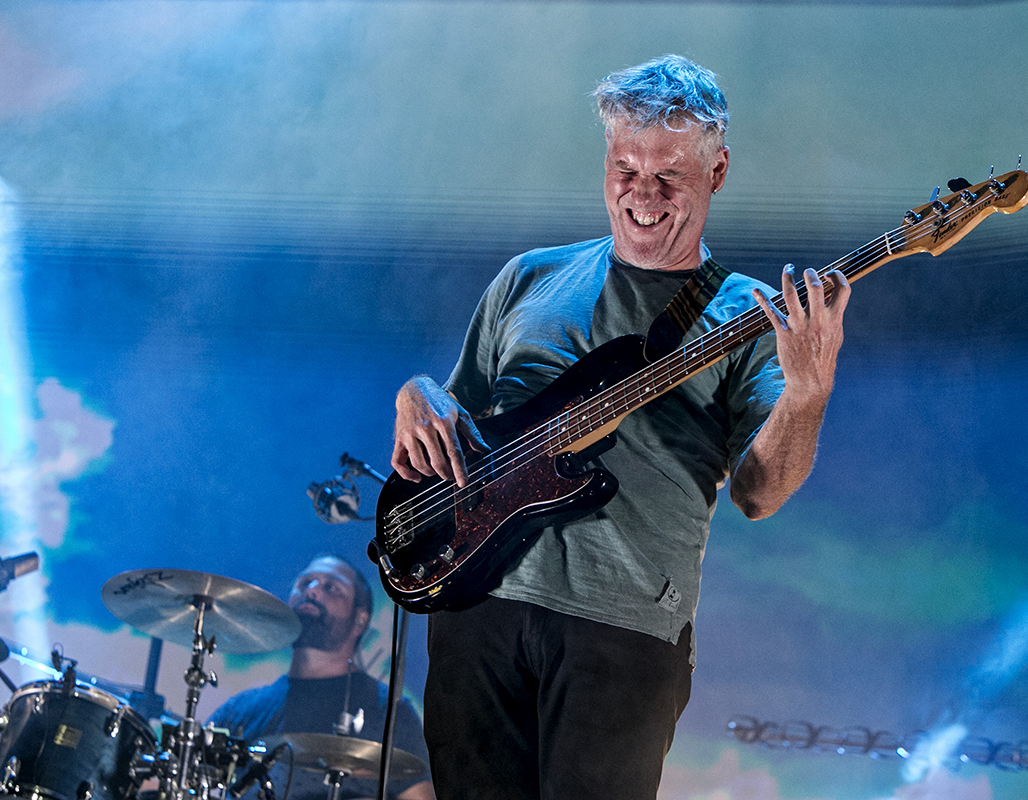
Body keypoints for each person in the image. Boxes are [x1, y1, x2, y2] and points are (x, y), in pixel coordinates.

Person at [389, 55, 850, 800]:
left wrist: (808, 393)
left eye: (669, 175)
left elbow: (761, 493)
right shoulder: (529, 277)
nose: (642, 193)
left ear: (718, 172)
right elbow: (455, 415)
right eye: (625, 168)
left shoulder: (753, 313)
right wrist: (416, 393)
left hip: (623, 624)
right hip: (478, 605)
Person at [209, 555, 435, 800]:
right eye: (305, 582)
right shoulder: (239, 710)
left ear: (360, 620)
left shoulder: (389, 712)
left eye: (332, 587)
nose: (312, 591)